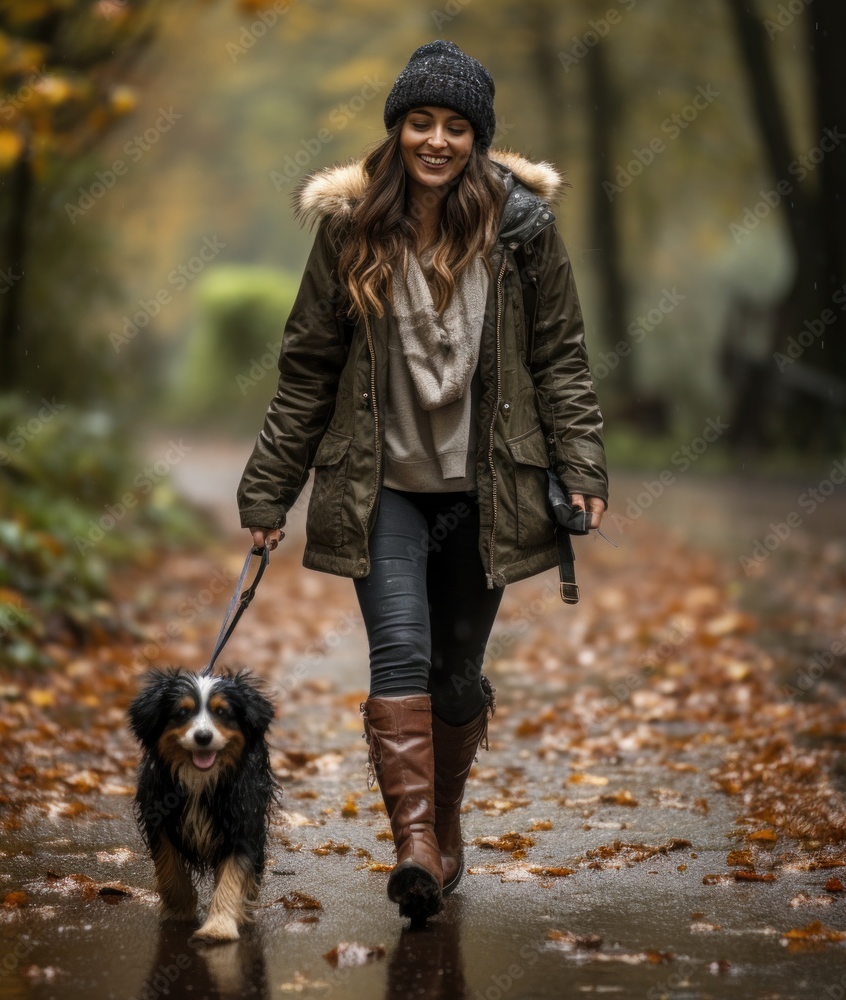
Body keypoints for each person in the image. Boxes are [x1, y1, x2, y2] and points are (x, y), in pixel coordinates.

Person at [237, 40, 608, 925]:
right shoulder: (349, 229)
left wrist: (582, 463)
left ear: (477, 139)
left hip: (488, 487)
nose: (436, 141)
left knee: (457, 679)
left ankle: (441, 821)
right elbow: (307, 368)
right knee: (398, 653)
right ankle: (412, 849)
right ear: (396, 129)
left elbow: (561, 356)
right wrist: (267, 496)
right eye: (420, 122)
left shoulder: (521, 232)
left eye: (455, 126)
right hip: (385, 488)